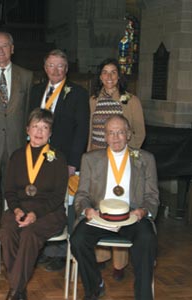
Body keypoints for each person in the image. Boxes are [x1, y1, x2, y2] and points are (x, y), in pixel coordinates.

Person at [71, 115, 159, 300]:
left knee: (147, 239)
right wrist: (87, 210)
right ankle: (94, 286)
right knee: (78, 240)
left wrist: (143, 210)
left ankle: (143, 296)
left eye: (120, 132)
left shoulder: (145, 159)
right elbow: (82, 195)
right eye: (111, 133)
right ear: (105, 136)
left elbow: (152, 196)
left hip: (133, 216)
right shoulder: (90, 159)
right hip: (99, 216)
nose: (116, 137)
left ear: (128, 134)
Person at [29, 49, 89, 272]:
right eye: (51, 65)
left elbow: (82, 130)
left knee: (61, 202)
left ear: (66, 69)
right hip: (37, 157)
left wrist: (73, 162)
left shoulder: (78, 93)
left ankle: (60, 251)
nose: (55, 70)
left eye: (60, 66)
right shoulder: (36, 91)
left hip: (63, 158)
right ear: (45, 67)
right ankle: (42, 248)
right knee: (39, 199)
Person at [0, 109, 68, 300]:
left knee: (29, 234)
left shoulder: (58, 158)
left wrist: (35, 213)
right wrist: (17, 209)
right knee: (6, 232)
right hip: (19, 208)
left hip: (49, 212)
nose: (39, 131)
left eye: (44, 127)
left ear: (50, 133)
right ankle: (19, 287)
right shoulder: (17, 156)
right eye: (35, 126)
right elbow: (10, 190)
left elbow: (58, 196)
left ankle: (15, 290)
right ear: (27, 129)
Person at [89, 58, 146, 281]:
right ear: (100, 76)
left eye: (114, 72)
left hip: (122, 162)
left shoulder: (131, 101)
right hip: (97, 159)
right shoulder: (93, 100)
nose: (109, 77)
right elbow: (89, 130)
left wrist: (128, 156)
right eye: (105, 72)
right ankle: (100, 257)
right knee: (99, 206)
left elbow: (139, 132)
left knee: (119, 207)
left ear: (119, 76)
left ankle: (119, 263)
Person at [0, 31, 33, 232]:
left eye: (5, 46)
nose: (1, 51)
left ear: (12, 49)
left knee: (14, 194)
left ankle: (10, 233)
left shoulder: (26, 76)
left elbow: (28, 112)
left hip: (16, 146)